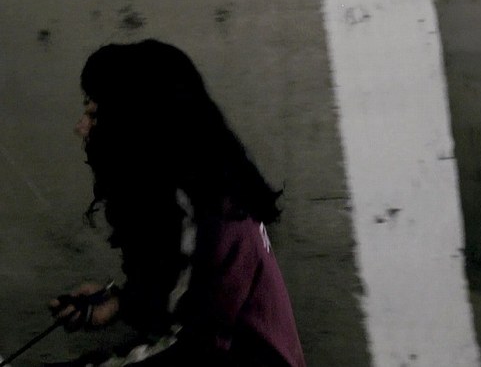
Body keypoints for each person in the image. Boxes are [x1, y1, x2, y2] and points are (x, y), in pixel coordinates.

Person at [49, 39, 306, 367]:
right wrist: (121, 304)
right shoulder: (186, 201)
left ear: (136, 125)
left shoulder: (211, 218)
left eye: (94, 114)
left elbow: (192, 347)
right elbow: (181, 303)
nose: (81, 128)